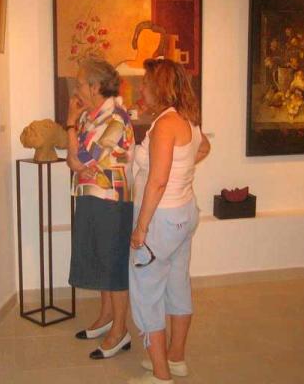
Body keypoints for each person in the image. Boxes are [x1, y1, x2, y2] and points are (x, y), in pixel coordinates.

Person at [127, 59, 210, 384]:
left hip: (161, 219)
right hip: (183, 213)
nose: (142, 88)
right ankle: (175, 359)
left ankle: (161, 376)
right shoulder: (187, 118)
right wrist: (183, 171)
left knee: (146, 293)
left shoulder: (164, 125)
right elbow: (203, 148)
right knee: (177, 285)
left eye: (146, 83)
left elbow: (158, 182)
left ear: (158, 87)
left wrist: (141, 228)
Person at [65, 57, 136, 360]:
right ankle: (106, 317)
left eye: (80, 83)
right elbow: (73, 160)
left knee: (113, 265)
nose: (76, 88)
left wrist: (70, 123)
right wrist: (75, 127)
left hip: (111, 201)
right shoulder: (89, 116)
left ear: (95, 87)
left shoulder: (116, 119)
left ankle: (120, 331)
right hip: (89, 195)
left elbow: (80, 159)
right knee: (100, 260)